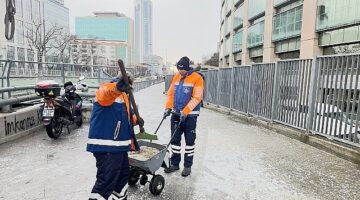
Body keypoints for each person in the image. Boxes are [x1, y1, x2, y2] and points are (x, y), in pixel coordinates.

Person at [87, 73, 143, 200]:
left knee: (123, 176)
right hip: (107, 146)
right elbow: (106, 93)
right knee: (106, 180)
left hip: (119, 147)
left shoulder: (125, 96)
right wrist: (118, 87)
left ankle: (119, 197)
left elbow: (126, 116)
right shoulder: (109, 88)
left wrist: (136, 120)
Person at [163, 56, 204, 177]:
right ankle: (175, 164)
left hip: (190, 116)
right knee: (174, 140)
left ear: (187, 68)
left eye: (182, 70)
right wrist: (168, 108)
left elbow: (197, 97)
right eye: (178, 69)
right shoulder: (176, 78)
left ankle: (187, 166)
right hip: (176, 114)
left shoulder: (197, 78)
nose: (180, 72)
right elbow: (170, 94)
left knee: (189, 141)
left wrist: (186, 111)